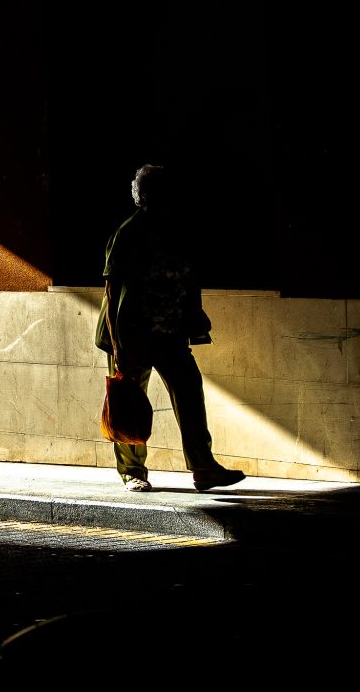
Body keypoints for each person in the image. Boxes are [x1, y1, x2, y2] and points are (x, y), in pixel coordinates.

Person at [95, 164, 246, 493]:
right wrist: (119, 346)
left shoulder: (179, 231)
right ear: (145, 198)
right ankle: (132, 470)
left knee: (189, 390)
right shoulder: (128, 234)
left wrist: (195, 314)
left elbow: (189, 278)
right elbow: (111, 291)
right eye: (161, 193)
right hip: (132, 333)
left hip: (169, 332)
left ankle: (203, 467)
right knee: (129, 399)